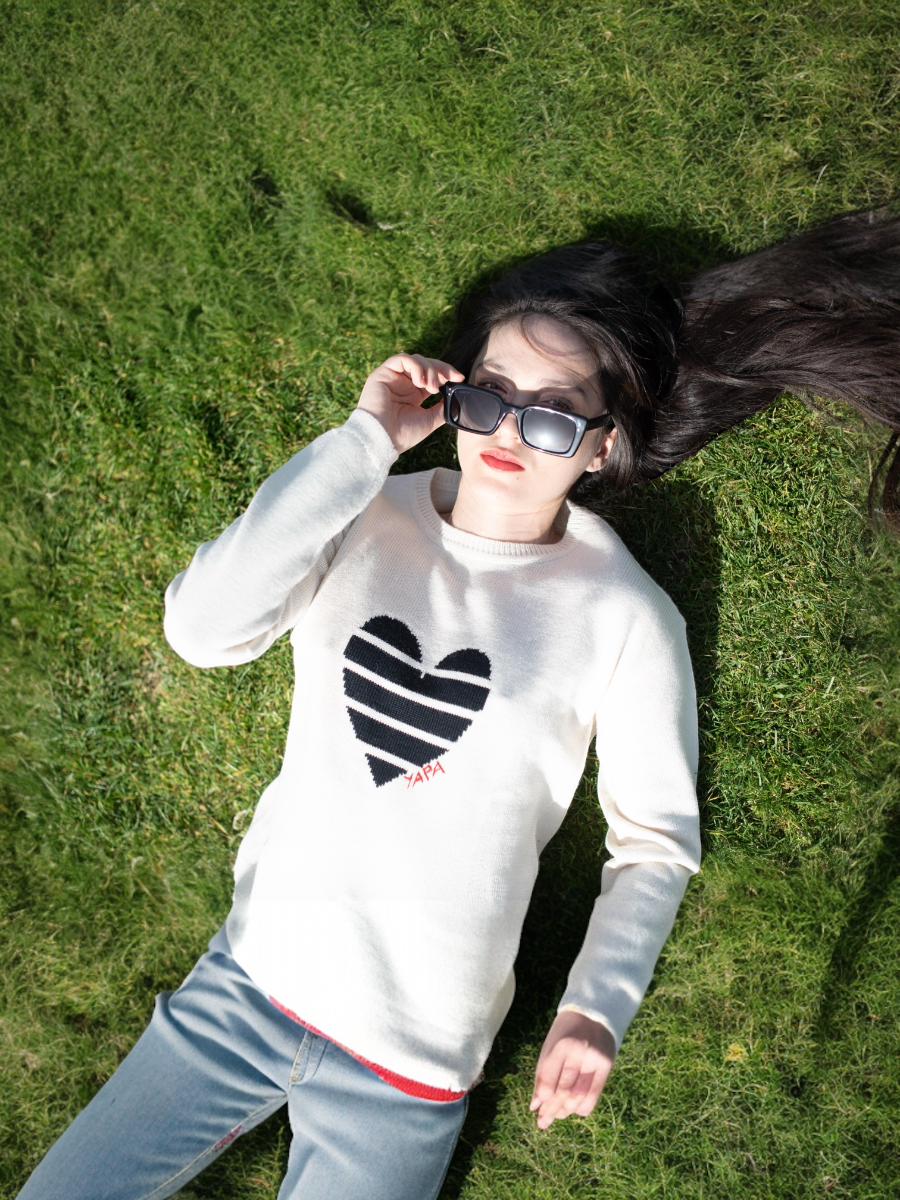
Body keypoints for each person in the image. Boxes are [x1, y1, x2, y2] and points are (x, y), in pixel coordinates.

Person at [19, 211, 900, 1200]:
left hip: (408, 1069)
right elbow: (201, 630)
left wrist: (595, 1008)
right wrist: (365, 442)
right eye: (489, 396)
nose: (510, 432)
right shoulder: (361, 510)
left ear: (602, 447)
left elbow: (655, 841)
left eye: (554, 415)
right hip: (245, 988)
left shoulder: (622, 613)